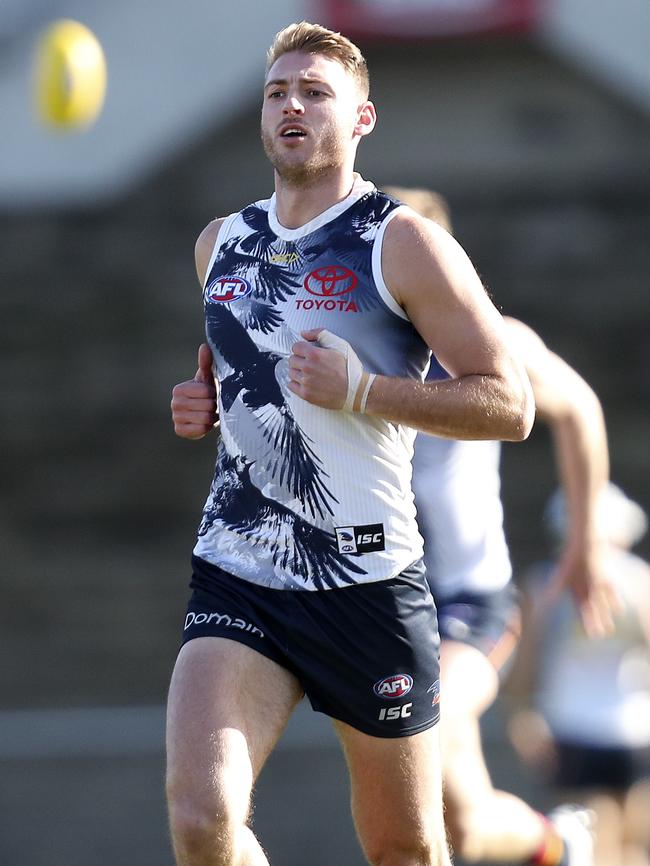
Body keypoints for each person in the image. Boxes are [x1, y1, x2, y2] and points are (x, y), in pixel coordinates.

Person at [166, 22, 535, 866]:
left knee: (405, 850)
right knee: (201, 820)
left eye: (315, 92)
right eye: (276, 92)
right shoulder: (219, 244)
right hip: (239, 569)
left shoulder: (400, 241)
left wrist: (366, 392)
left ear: (362, 118)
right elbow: (243, 383)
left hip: (365, 582)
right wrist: (204, 407)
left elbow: (509, 402)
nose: (291, 104)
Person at [383, 186, 618, 866]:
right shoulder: (342, 346)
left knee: (426, 721)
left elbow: (577, 408)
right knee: (465, 826)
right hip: (379, 606)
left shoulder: (492, 345)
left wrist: (588, 540)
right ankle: (557, 843)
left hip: (469, 604)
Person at [508, 484, 650, 866]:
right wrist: (523, 717)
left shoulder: (636, 581)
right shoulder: (544, 586)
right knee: (599, 844)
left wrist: (521, 714)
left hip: (624, 730)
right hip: (574, 730)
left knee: (613, 844)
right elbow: (527, 661)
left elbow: (524, 666)